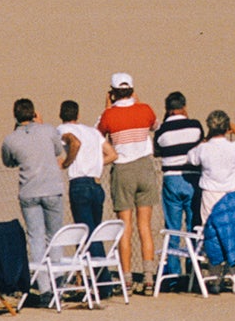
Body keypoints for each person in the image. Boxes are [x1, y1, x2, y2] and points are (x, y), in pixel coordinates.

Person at [96, 73, 160, 288]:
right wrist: (137, 103)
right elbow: (153, 125)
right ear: (132, 90)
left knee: (125, 226)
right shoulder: (145, 109)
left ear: (112, 92)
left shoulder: (109, 115)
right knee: (145, 225)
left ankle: (127, 277)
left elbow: (99, 135)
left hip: (123, 169)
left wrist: (108, 107)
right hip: (144, 166)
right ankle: (149, 275)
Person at [185, 110, 235, 293]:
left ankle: (215, 278)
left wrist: (205, 138)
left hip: (211, 195)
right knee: (232, 234)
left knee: (212, 235)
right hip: (231, 196)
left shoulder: (204, 148)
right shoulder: (234, 147)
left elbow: (191, 157)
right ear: (227, 128)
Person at [0, 98, 67, 293]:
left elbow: (8, 161)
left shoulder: (11, 139)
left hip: (29, 191)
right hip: (52, 189)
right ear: (34, 113)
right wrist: (41, 124)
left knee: (36, 237)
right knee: (54, 236)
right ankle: (58, 282)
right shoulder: (48, 130)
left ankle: (44, 287)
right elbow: (57, 150)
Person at [154, 91, 204, 279]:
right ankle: (194, 270)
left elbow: (157, 150)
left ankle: (174, 273)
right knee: (194, 226)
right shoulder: (195, 126)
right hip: (192, 178)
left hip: (171, 178)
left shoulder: (162, 131)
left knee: (172, 228)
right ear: (184, 107)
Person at [57, 100, 113, 243]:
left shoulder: (62, 129)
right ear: (78, 114)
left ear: (60, 114)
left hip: (79, 184)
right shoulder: (92, 132)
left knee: (85, 233)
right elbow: (112, 154)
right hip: (96, 184)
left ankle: (100, 264)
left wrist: (65, 163)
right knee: (94, 231)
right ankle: (92, 263)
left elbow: (75, 142)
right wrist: (96, 163)